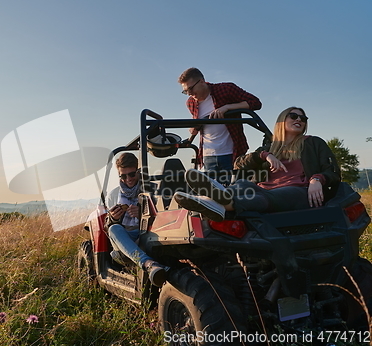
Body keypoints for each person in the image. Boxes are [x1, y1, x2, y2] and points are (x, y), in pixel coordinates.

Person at [173, 107, 341, 220]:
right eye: (294, 116)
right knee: (243, 184)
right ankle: (211, 198)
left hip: (298, 192)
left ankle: (220, 203)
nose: (299, 119)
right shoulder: (269, 147)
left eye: (303, 118)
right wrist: (264, 155)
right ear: (282, 120)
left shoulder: (313, 143)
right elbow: (238, 164)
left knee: (264, 197)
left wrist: (317, 179)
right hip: (264, 188)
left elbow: (332, 171)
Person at [178, 67, 262, 181]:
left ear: (202, 81)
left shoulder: (226, 89)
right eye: (185, 91)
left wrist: (227, 107)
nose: (189, 93)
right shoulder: (191, 102)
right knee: (213, 194)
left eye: (191, 89)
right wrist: (193, 131)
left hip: (231, 153)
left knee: (233, 193)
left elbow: (255, 102)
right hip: (207, 156)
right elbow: (199, 124)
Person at [105, 152, 168, 287]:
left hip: (148, 232)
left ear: (138, 171)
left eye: (132, 174)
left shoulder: (152, 189)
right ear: (119, 175)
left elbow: (163, 216)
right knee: (113, 228)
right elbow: (107, 227)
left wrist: (143, 214)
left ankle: (153, 265)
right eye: (123, 176)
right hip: (126, 236)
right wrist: (113, 218)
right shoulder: (113, 195)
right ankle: (147, 263)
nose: (128, 179)